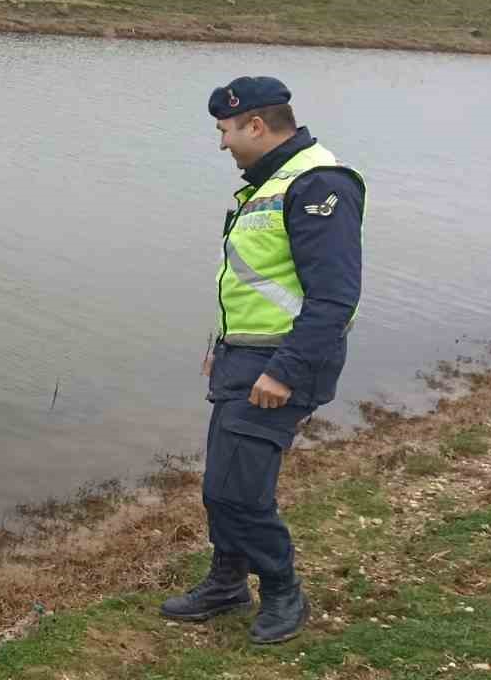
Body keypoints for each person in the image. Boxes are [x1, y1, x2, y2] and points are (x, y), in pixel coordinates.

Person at [160, 76, 366, 644]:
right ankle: (227, 582)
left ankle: (283, 592)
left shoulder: (319, 184)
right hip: (243, 360)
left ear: (255, 125)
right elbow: (253, 283)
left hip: (279, 366)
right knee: (220, 486)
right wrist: (221, 347)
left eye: (225, 130)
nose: (222, 143)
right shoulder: (267, 185)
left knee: (240, 492)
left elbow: (334, 299)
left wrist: (283, 372)